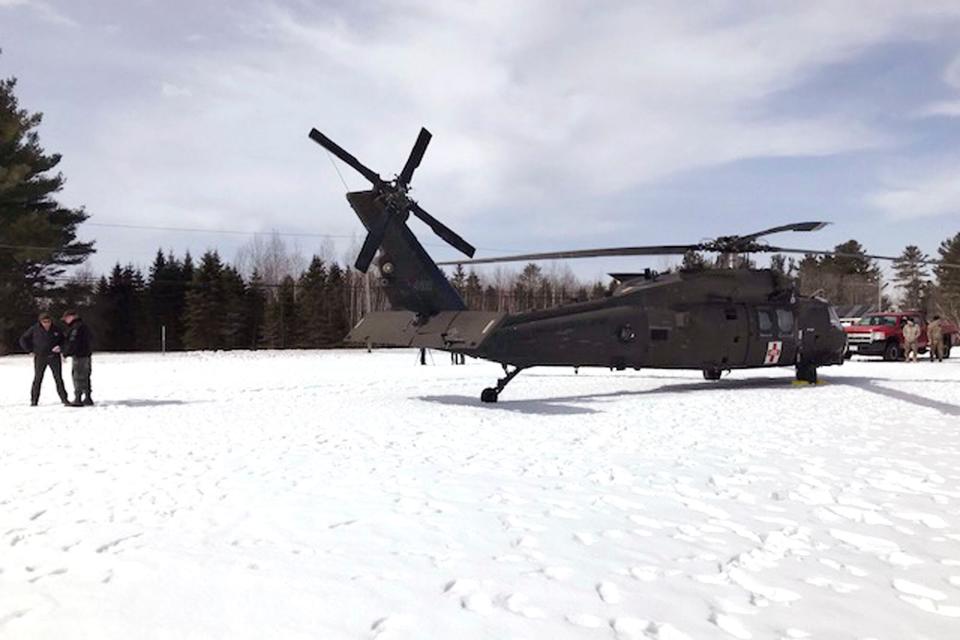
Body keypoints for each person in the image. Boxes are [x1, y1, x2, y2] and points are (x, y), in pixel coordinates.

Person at [19, 312, 70, 406]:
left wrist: (60, 347)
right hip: (40, 357)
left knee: (58, 378)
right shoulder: (34, 329)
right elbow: (23, 339)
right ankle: (34, 400)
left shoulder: (56, 329)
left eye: (48, 321)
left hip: (54, 357)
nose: (47, 323)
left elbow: (65, 341)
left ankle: (64, 399)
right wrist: (29, 350)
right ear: (40, 322)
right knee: (38, 378)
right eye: (44, 322)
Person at [61, 309, 94, 405]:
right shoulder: (84, 326)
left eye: (66, 318)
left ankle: (78, 398)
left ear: (72, 317)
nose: (66, 320)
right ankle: (88, 397)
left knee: (77, 376)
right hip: (87, 354)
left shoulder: (76, 328)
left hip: (79, 356)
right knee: (86, 376)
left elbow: (73, 342)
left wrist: (66, 353)